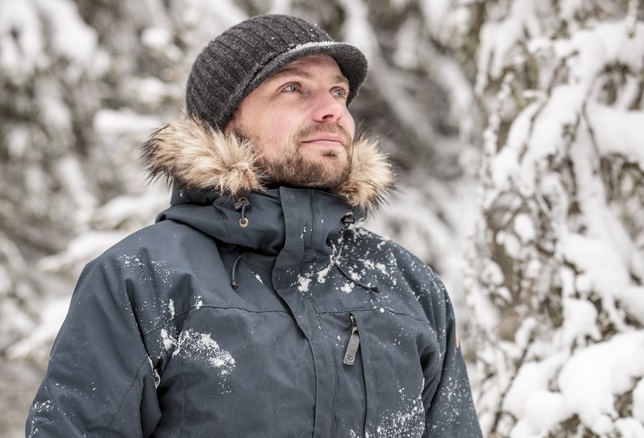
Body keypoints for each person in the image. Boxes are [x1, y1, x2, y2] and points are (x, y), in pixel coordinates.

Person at [26, 14, 482, 437]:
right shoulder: (143, 278)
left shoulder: (405, 284)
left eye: (339, 92)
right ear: (226, 122)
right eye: (293, 88)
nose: (332, 111)